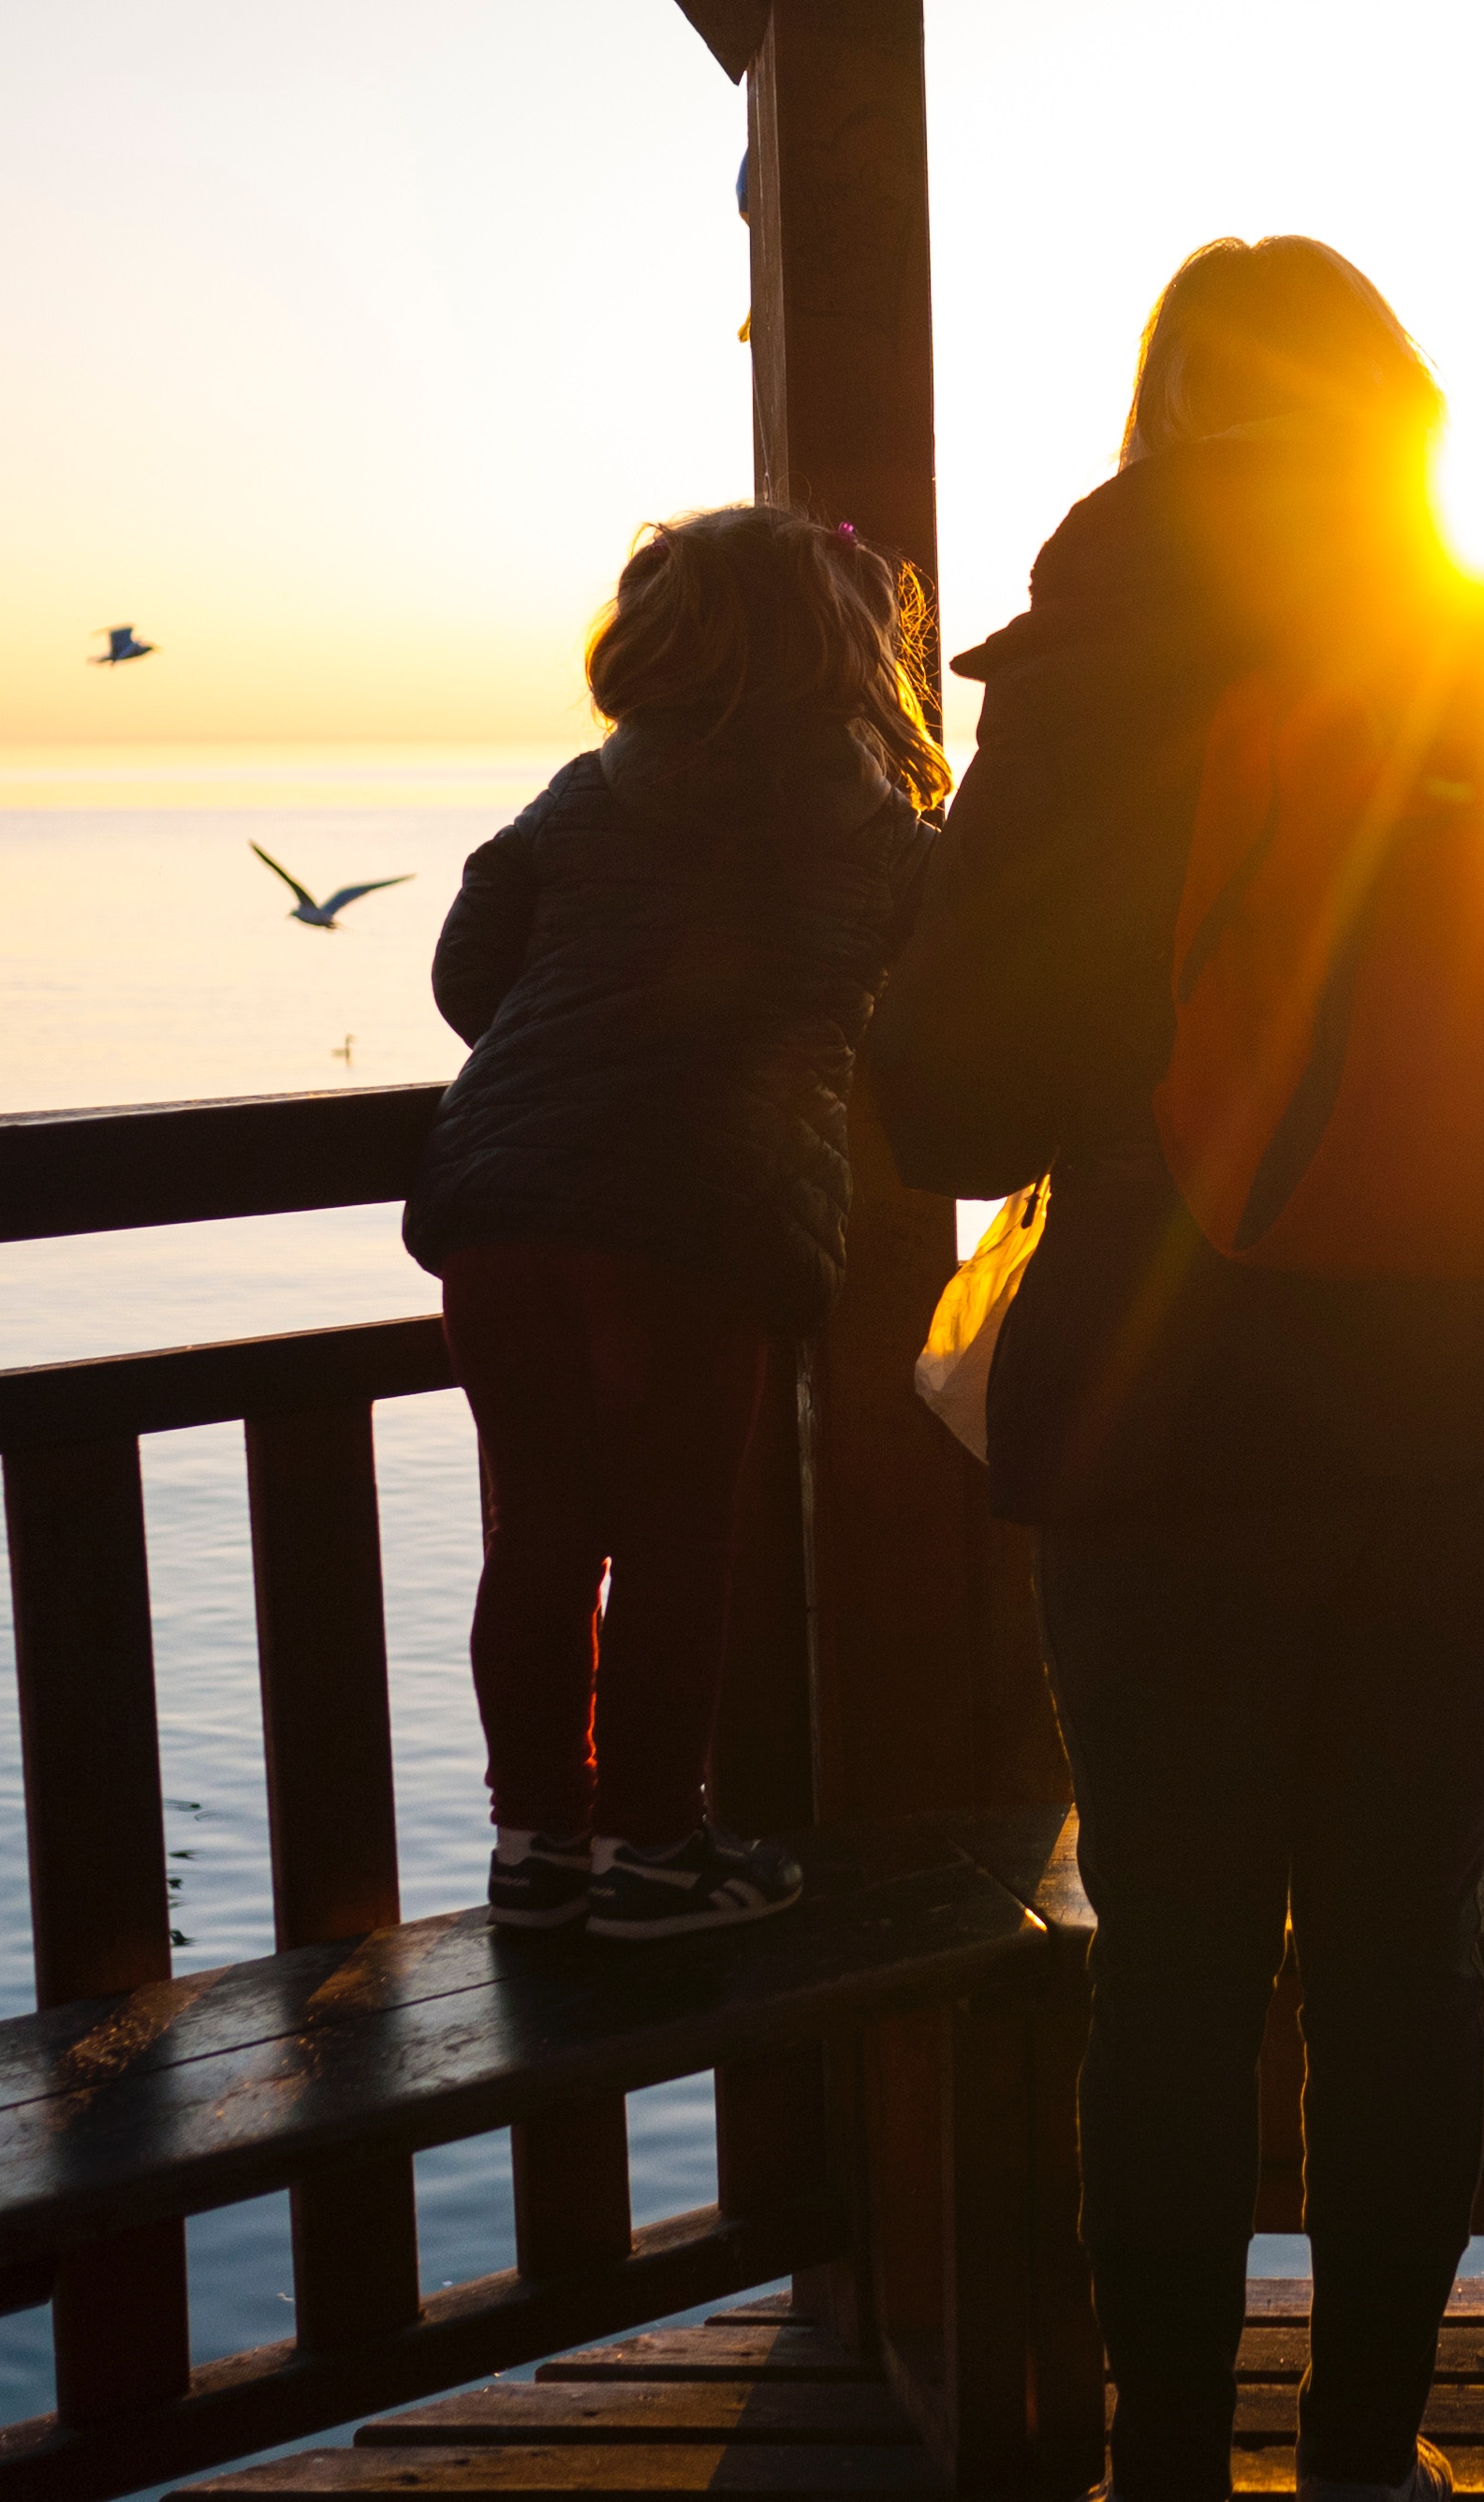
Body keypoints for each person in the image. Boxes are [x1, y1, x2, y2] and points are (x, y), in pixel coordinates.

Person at [866, 238, 1484, 2502]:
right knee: (1406, 1942)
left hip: (1176, 1404)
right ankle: (1365, 2455)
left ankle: (1163, 2473)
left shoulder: (1104, 665)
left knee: (1182, 1953)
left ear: (1167, 423)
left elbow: (950, 1101)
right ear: (1398, 414)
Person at [404, 504, 943, 1938]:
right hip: (698, 1219)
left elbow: (470, 978)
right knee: (674, 1539)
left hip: (500, 1207)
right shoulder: (869, 826)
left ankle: (537, 1850)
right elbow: (939, 999)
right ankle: (654, 1846)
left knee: (540, 1532)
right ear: (843, 650)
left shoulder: (585, 795)